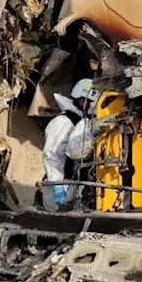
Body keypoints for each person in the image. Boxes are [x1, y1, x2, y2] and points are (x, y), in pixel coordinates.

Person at [41, 78, 99, 209]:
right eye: (87, 102)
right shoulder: (64, 122)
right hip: (61, 185)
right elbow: (52, 155)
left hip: (74, 185)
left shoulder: (83, 123)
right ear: (82, 101)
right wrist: (56, 183)